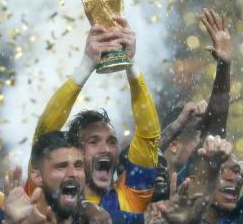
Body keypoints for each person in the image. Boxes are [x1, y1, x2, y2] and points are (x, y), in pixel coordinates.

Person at [27, 16, 161, 222]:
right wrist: (87, 64)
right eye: (93, 141)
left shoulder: (130, 197)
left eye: (111, 142)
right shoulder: (48, 192)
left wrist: (130, 63)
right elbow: (45, 134)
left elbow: (148, 135)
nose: (106, 149)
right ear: (75, 151)